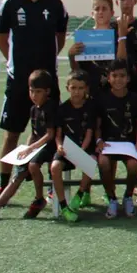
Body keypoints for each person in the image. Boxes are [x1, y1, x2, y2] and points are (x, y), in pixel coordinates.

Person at [0, 0, 68, 197]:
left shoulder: (56, 5)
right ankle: (3, 183)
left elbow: (60, 38)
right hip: (19, 82)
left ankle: (50, 187)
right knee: (12, 133)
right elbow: (2, 38)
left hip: (48, 83)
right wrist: (14, 62)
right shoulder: (10, 4)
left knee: (52, 134)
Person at [0, 70, 58, 220]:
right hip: (38, 147)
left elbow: (50, 135)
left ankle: (38, 198)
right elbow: (35, 132)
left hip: (51, 146)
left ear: (47, 91)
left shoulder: (50, 108)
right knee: (18, 172)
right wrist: (25, 149)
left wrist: (30, 149)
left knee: (31, 166)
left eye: (38, 92)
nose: (34, 95)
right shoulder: (33, 109)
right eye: (31, 91)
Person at [95, 60, 137, 218]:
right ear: (108, 78)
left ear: (128, 78)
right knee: (103, 163)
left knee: (133, 166)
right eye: (114, 76)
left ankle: (128, 197)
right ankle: (112, 198)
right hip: (109, 144)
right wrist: (98, 141)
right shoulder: (102, 98)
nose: (118, 79)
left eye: (122, 76)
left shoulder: (134, 98)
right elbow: (97, 124)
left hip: (128, 144)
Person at [51, 71, 96, 222]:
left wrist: (82, 150)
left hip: (83, 147)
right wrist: (59, 147)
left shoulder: (90, 107)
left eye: (80, 88)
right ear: (67, 88)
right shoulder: (62, 109)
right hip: (66, 149)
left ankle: (80, 194)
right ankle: (64, 206)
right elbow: (58, 134)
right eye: (73, 88)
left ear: (86, 89)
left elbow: (89, 133)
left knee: (91, 160)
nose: (77, 92)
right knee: (55, 167)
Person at [67, 0, 127, 96]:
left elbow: (122, 63)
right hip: (92, 93)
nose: (100, 12)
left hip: (114, 93)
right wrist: (71, 55)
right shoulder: (84, 38)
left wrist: (122, 36)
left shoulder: (118, 35)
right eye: (97, 9)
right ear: (92, 13)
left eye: (104, 9)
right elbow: (77, 72)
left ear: (112, 12)